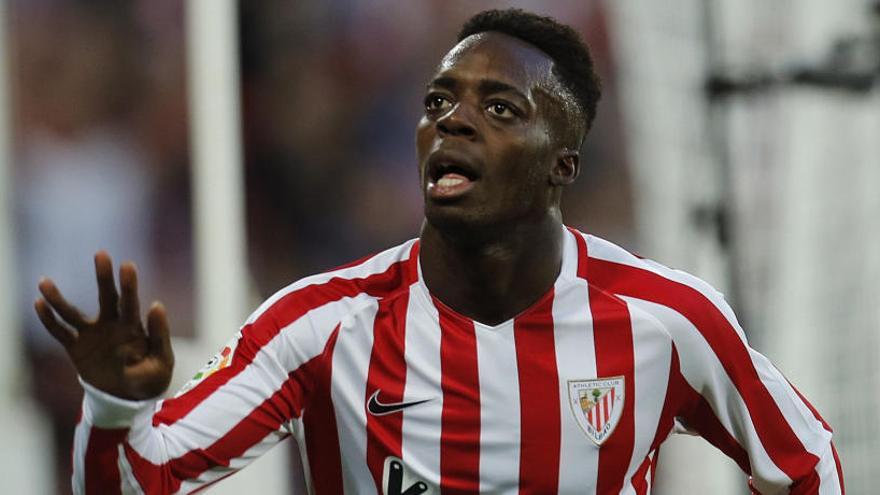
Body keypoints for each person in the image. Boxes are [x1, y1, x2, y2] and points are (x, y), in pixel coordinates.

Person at [34, 8, 843, 495]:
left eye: (498, 106)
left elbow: (805, 459)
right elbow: (146, 478)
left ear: (563, 162)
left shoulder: (664, 320)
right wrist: (114, 407)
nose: (452, 121)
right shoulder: (323, 326)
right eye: (437, 101)